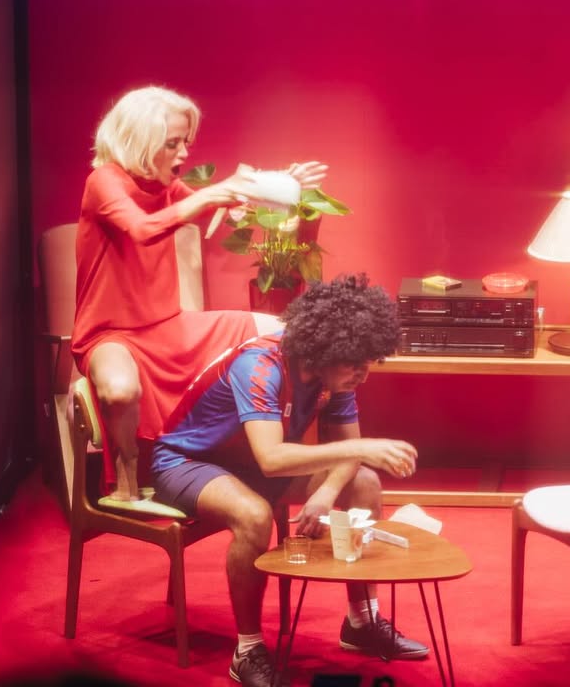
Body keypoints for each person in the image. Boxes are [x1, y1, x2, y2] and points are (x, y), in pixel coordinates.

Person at [151, 274, 428, 687]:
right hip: (186, 462)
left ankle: (362, 621)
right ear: (325, 348)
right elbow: (272, 459)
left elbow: (348, 453)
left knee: (365, 482)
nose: (364, 374)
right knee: (253, 515)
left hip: (250, 466)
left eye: (369, 362)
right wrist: (359, 448)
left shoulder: (334, 377)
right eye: (355, 362)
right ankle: (247, 651)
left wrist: (327, 492)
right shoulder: (260, 365)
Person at [71, 85, 327, 499]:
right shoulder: (104, 181)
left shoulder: (165, 187)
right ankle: (127, 468)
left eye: (185, 142)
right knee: (120, 390)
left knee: (278, 330)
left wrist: (283, 184)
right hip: (110, 334)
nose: (184, 154)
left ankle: (267, 454)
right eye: (172, 143)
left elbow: (225, 210)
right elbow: (141, 230)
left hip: (167, 326)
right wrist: (212, 192)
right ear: (142, 140)